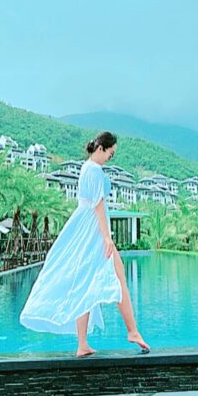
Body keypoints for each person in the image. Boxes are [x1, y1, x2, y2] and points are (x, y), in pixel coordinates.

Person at [19, 131, 150, 357]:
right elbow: (98, 205)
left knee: (86, 283)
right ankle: (132, 331)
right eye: (111, 153)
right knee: (118, 278)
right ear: (101, 148)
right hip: (93, 230)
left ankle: (83, 345)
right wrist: (107, 237)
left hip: (87, 228)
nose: (111, 157)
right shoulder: (94, 170)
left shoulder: (86, 168)